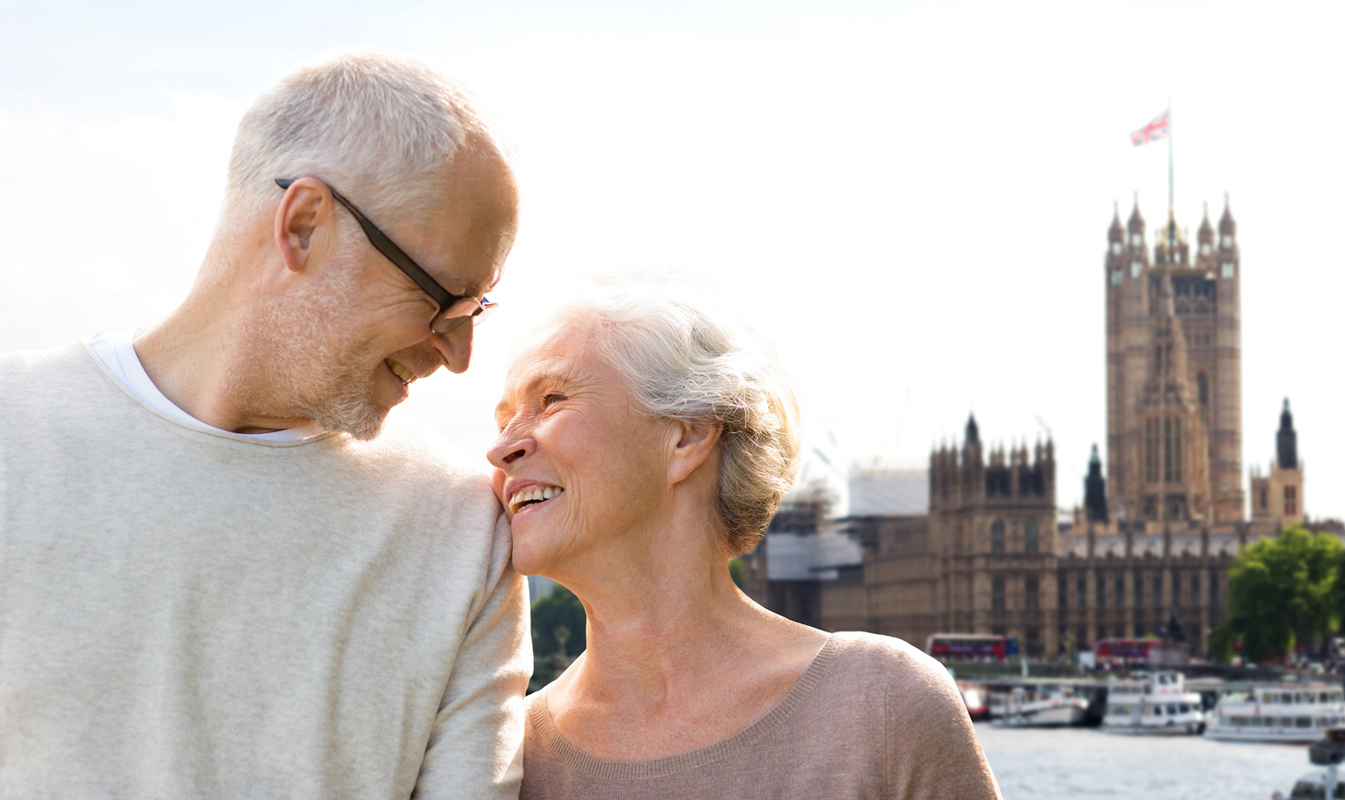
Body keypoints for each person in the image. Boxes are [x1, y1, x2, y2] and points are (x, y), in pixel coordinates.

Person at [0, 51, 530, 797]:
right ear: (304, 224)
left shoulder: (464, 530)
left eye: (479, 308)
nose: (460, 354)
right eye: (444, 299)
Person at [489, 285, 1001, 799]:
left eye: (551, 401)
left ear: (686, 436)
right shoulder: (508, 759)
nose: (500, 448)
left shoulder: (882, 704)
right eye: (504, 421)